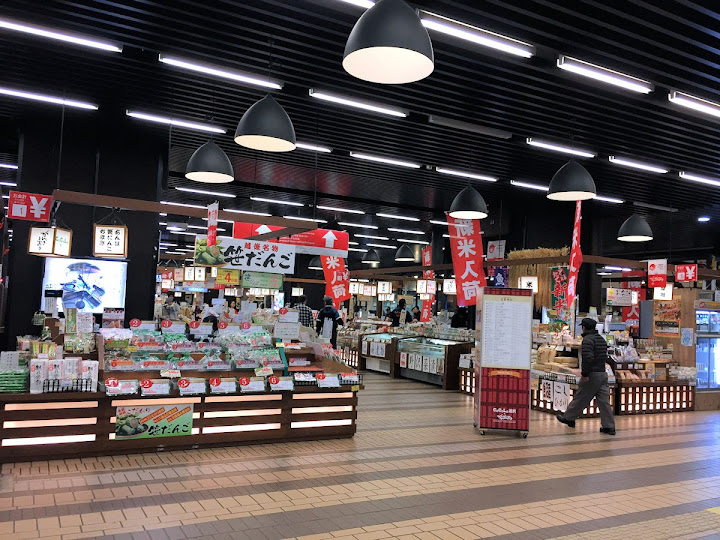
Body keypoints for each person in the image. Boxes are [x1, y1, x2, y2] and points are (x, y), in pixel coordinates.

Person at [557, 318, 616, 435]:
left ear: (584, 327)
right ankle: (609, 426)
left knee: (581, 397)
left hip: (592, 374)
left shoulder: (587, 340)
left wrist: (585, 374)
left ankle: (569, 418)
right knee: (604, 402)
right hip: (603, 373)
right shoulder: (601, 339)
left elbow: (588, 359)